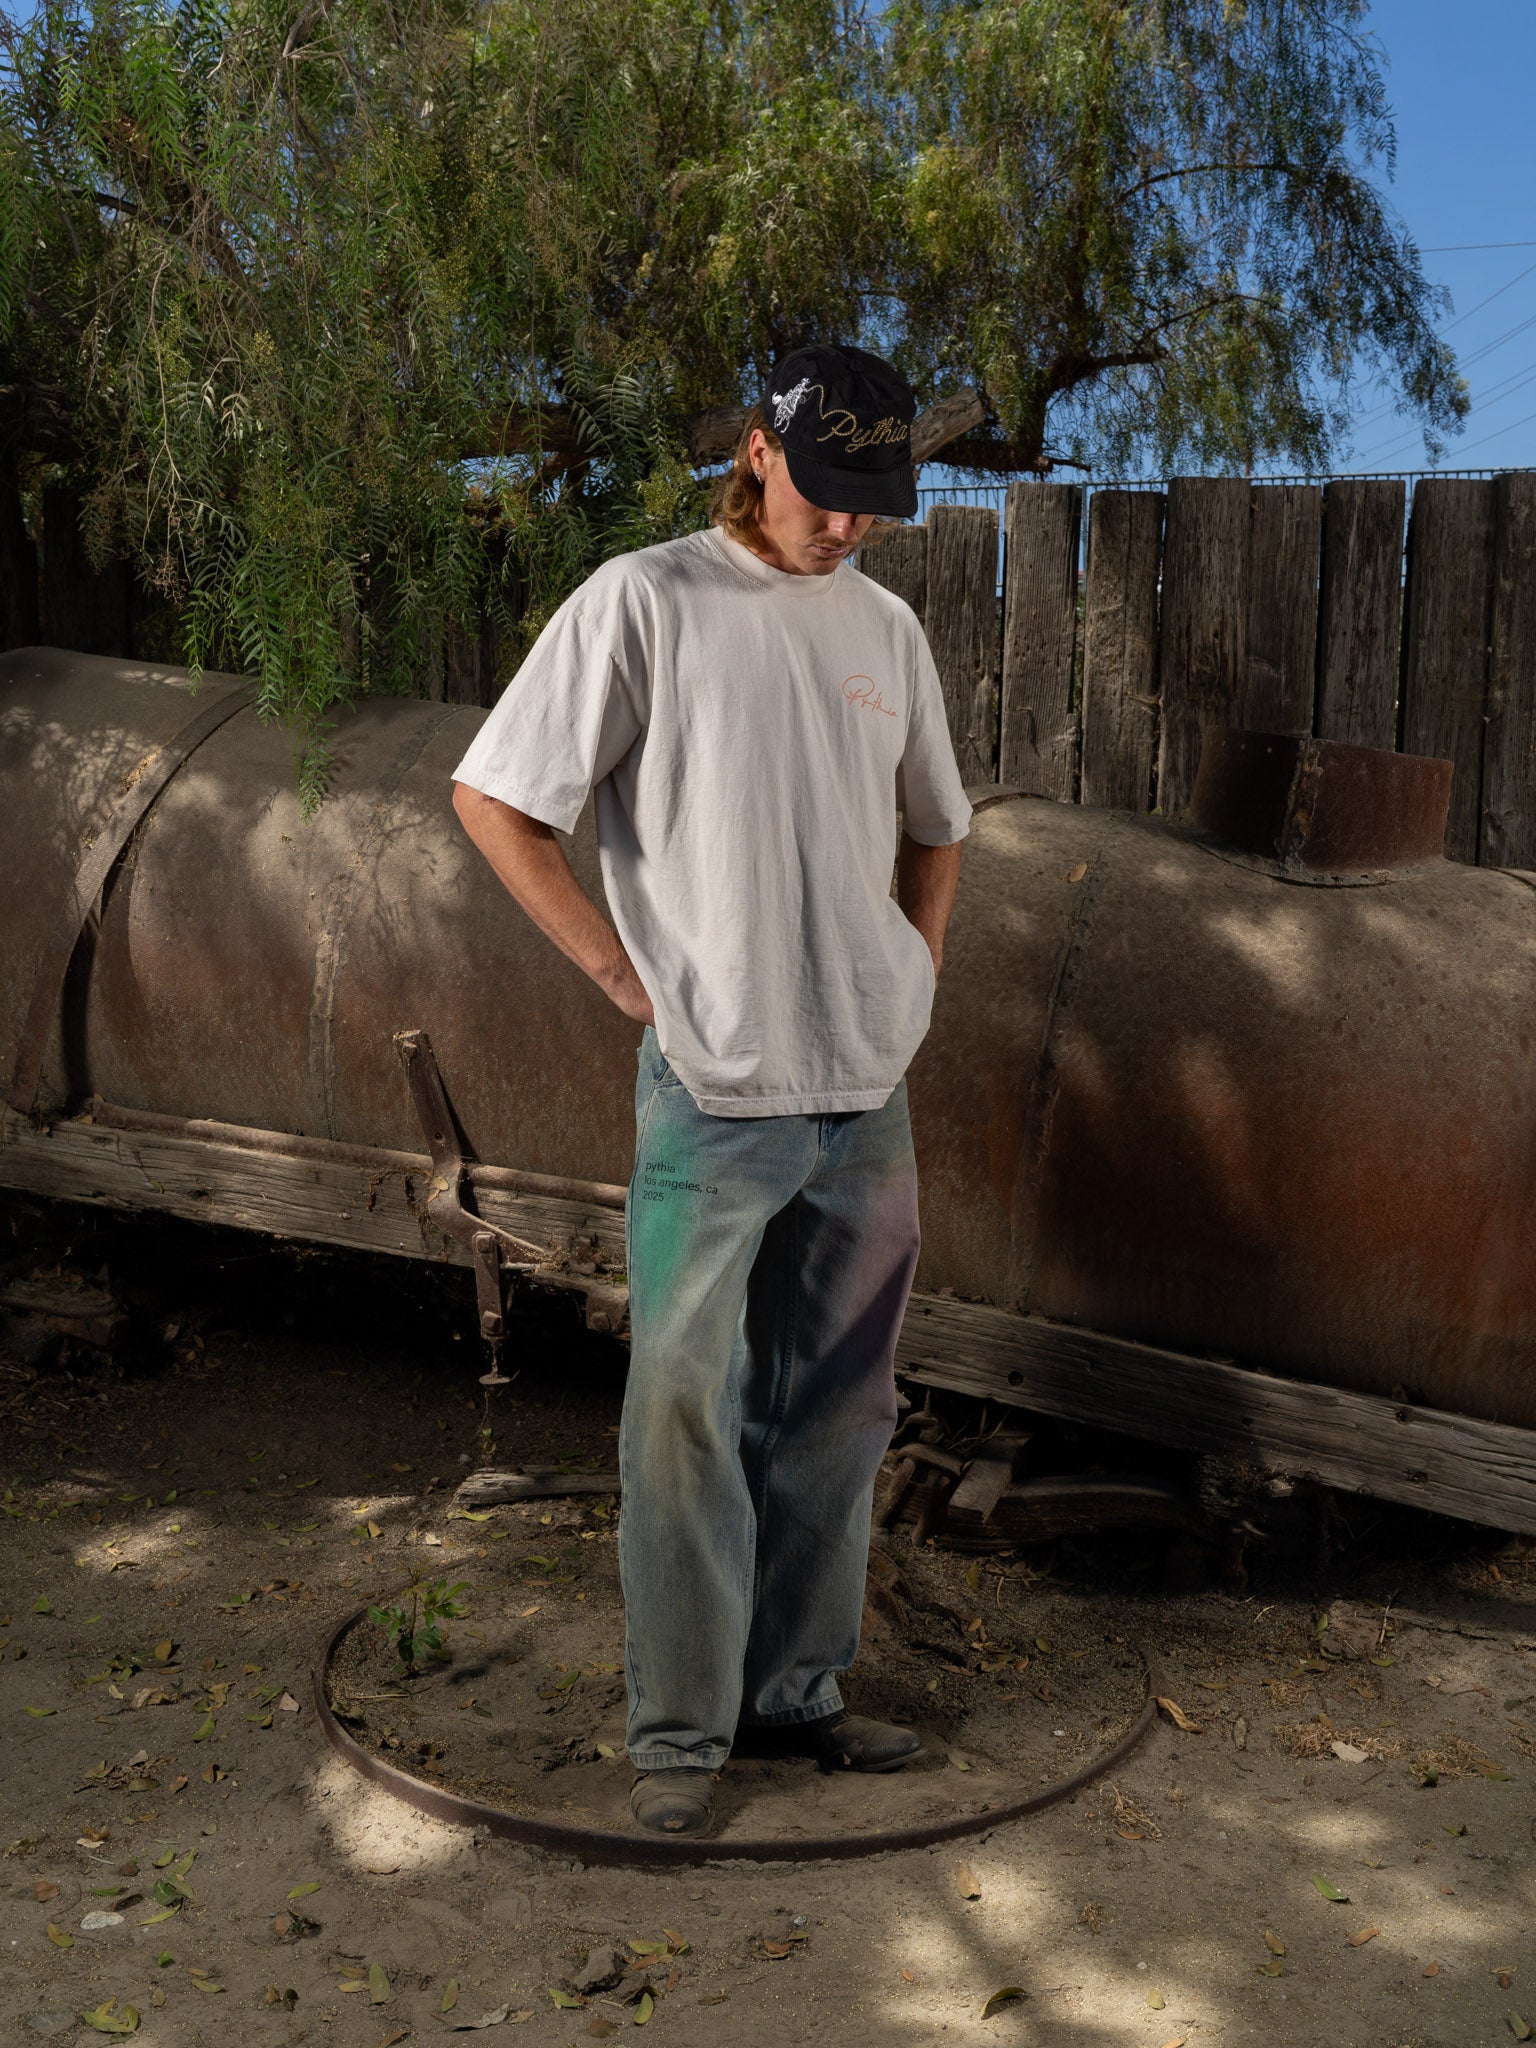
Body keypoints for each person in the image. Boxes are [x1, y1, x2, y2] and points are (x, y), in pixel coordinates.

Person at [450, 342, 971, 1837]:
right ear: (757, 451)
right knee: (683, 1405)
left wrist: (915, 974)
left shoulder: (883, 627)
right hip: (715, 1084)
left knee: (841, 1406)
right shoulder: (646, 601)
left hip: (865, 1087)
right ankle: (680, 1736)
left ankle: (796, 1697)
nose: (850, 525)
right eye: (828, 490)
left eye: (878, 501)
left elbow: (938, 827)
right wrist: (625, 981)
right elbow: (495, 796)